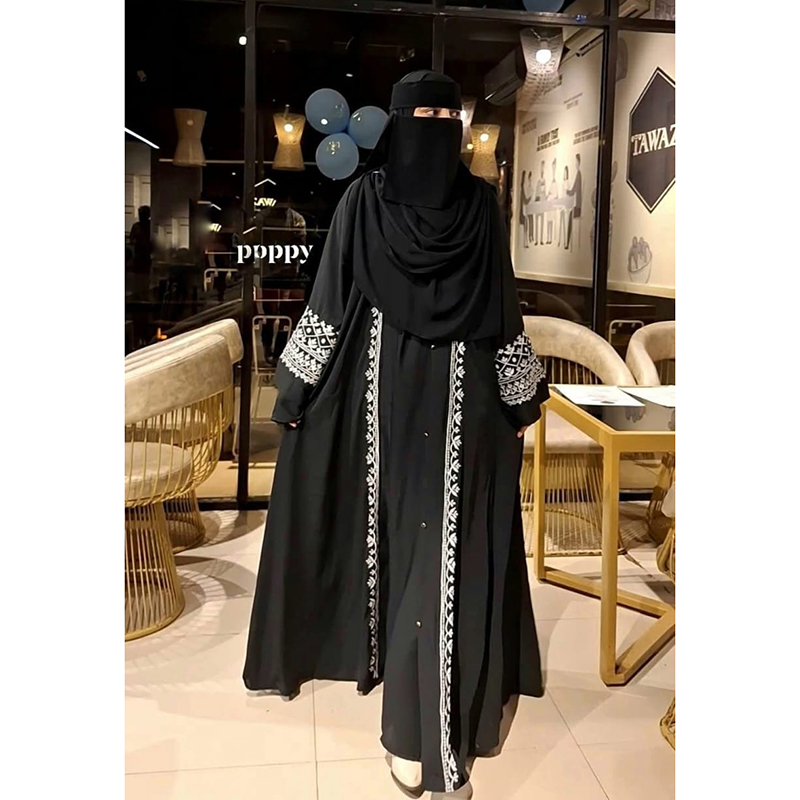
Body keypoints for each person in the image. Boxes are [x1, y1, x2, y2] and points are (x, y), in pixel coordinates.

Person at [243, 71, 548, 797]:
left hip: (435, 403)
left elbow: (498, 302)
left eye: (445, 114)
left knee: (433, 557)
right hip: (407, 404)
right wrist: (297, 393)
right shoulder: (392, 201)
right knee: (422, 551)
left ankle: (417, 736)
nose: (432, 127)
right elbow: (335, 298)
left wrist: (517, 401)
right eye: (423, 114)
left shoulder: (454, 204)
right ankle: (418, 719)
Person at [566, 152, 583, 251]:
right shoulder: (578, 174)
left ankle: (568, 242)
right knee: (569, 215)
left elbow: (574, 190)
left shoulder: (578, 174)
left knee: (569, 216)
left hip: (578, 207)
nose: (575, 164)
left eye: (576, 162)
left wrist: (567, 192)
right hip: (577, 205)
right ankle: (568, 242)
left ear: (579, 163)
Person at [533, 160, 546, 246]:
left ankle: (541, 239)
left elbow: (544, 192)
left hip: (542, 203)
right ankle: (537, 239)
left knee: (542, 222)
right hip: (538, 203)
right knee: (537, 221)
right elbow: (536, 193)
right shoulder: (538, 182)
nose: (542, 170)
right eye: (541, 168)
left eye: (543, 168)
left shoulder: (544, 181)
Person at [546, 158, 558, 245]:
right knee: (548, 223)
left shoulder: (555, 183)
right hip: (549, 205)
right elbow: (549, 193)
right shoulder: (551, 182)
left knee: (552, 222)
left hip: (552, 205)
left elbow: (556, 195)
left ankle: (552, 238)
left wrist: (551, 196)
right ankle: (548, 238)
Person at [558, 165, 569, 248]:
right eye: (564, 173)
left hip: (565, 206)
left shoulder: (568, 183)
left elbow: (568, 194)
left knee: (565, 224)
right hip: (561, 205)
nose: (564, 175)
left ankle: (565, 242)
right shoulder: (562, 183)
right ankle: (559, 241)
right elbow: (562, 195)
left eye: (566, 173)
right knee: (560, 224)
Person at [519, 170, 531, 249]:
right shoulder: (522, 189)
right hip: (523, 211)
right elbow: (525, 200)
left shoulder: (523, 189)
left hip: (524, 210)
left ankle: (525, 241)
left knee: (526, 226)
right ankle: (525, 242)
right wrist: (530, 197)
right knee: (525, 226)